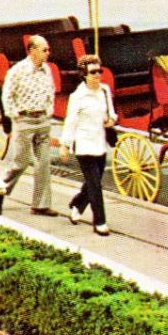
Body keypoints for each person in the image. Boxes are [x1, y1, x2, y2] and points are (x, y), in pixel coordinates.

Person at [0, 34, 57, 214]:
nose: (48, 53)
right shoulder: (17, 70)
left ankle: (41, 205)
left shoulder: (46, 70)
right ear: (32, 51)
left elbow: (51, 91)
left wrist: (49, 110)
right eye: (44, 50)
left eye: (48, 50)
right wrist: (14, 114)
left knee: (43, 163)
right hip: (24, 120)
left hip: (42, 120)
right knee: (20, 162)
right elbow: (7, 95)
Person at [58, 54, 116, 235]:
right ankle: (100, 222)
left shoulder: (105, 90)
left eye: (100, 71)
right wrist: (64, 145)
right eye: (93, 72)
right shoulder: (78, 97)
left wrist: (111, 120)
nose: (98, 75)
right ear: (84, 74)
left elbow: (112, 114)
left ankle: (77, 204)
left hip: (99, 143)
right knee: (95, 185)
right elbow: (70, 122)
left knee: (94, 182)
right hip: (83, 146)